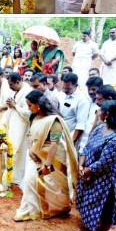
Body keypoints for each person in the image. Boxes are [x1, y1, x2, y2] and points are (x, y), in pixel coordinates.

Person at [14, 90, 79, 222]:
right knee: (29, 181)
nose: (28, 108)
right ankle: (30, 210)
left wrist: (47, 166)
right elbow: (31, 135)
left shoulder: (54, 121)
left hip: (53, 157)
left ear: (38, 105)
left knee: (55, 186)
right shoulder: (33, 117)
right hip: (35, 154)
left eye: (30, 105)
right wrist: (31, 151)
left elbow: (54, 145)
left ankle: (59, 208)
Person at [76, 99, 116, 231]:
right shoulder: (100, 128)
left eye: (100, 110)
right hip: (89, 172)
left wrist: (86, 171)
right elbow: (87, 146)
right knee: (89, 201)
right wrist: (81, 166)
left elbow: (105, 162)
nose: (98, 112)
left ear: (106, 114)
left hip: (107, 178)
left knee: (106, 207)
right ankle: (90, 225)